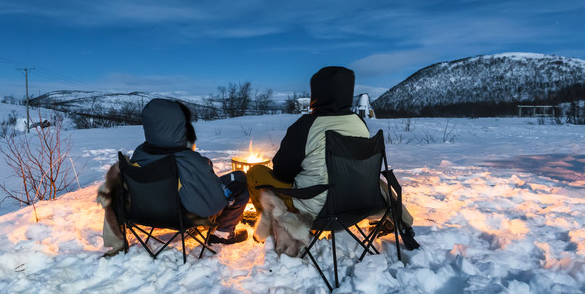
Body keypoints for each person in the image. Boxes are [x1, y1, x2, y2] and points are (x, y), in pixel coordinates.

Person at [246, 66, 416, 253]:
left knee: (256, 173)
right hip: (359, 204)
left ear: (316, 94)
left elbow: (281, 171)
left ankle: (271, 231)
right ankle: (401, 221)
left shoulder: (307, 126)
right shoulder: (359, 123)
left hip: (318, 212)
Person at [130, 98, 249, 244]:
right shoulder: (187, 160)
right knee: (240, 178)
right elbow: (210, 204)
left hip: (145, 212)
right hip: (181, 215)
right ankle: (222, 232)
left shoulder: (139, 153)